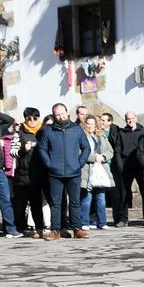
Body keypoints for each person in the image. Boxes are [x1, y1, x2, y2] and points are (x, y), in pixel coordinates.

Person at [37, 103, 91, 240]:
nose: (60, 117)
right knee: (56, 203)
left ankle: (77, 229)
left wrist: (79, 163)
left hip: (74, 172)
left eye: (62, 113)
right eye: (57, 115)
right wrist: (49, 164)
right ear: (54, 116)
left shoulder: (77, 129)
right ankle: (55, 230)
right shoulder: (48, 130)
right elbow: (42, 149)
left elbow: (86, 148)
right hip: (55, 173)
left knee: (75, 202)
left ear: (67, 113)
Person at [12, 108, 48, 238]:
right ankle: (37, 229)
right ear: (25, 119)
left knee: (50, 201)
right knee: (33, 203)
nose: (32, 121)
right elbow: (13, 152)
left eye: (35, 118)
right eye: (29, 119)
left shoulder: (44, 131)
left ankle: (55, 227)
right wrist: (23, 150)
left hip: (44, 173)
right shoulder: (19, 133)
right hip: (26, 174)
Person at [113, 111, 144, 227]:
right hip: (126, 167)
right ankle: (123, 219)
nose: (130, 120)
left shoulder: (143, 132)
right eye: (128, 119)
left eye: (132, 118)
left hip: (140, 166)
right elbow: (117, 151)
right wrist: (120, 166)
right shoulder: (121, 133)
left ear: (136, 118)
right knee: (124, 193)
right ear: (125, 120)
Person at [80, 115, 114, 230]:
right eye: (88, 124)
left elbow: (110, 151)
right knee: (86, 198)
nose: (90, 126)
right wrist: (95, 158)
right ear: (85, 125)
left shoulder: (101, 137)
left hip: (100, 170)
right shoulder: (81, 137)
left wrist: (104, 157)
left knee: (101, 198)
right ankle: (84, 222)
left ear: (96, 125)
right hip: (87, 170)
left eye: (92, 124)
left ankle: (102, 222)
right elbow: (80, 152)